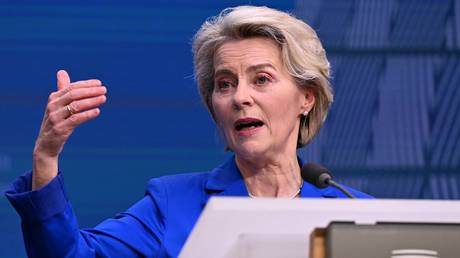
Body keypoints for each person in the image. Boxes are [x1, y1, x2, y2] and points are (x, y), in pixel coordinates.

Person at [5, 5, 372, 258]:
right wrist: (46, 158)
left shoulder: (357, 214)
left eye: (261, 79)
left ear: (306, 97)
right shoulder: (173, 203)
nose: (240, 97)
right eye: (224, 84)